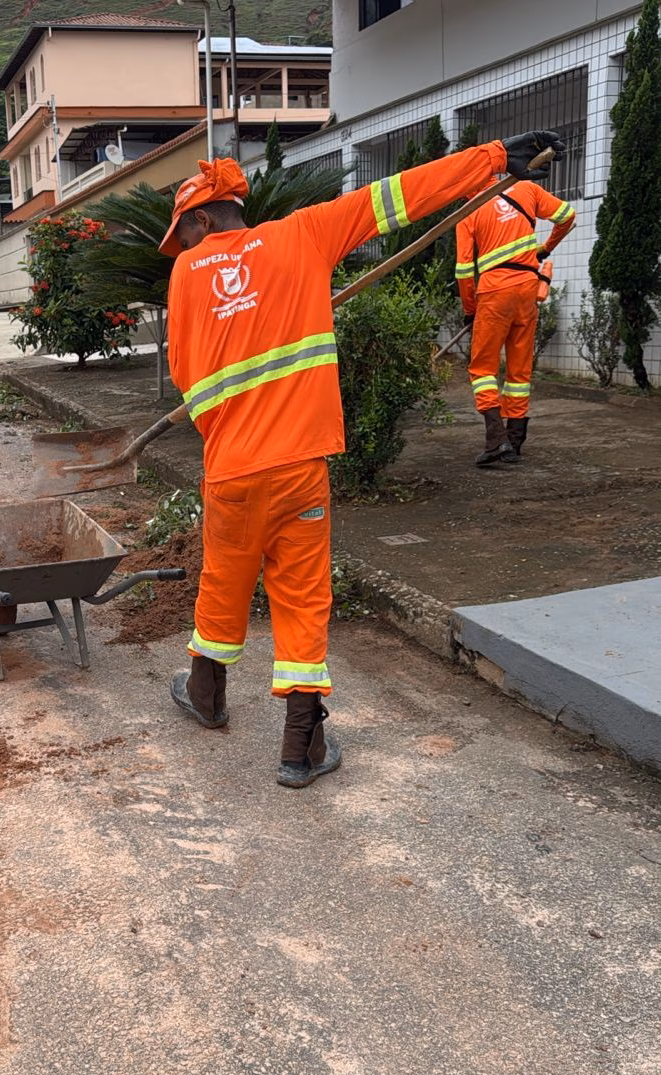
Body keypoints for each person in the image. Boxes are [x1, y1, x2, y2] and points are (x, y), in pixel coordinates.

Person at [161, 131, 564, 788]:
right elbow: (399, 197)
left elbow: (185, 373)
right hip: (300, 467)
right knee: (300, 597)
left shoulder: (184, 274)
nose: (181, 249)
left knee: (224, 581)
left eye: (183, 235)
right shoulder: (303, 236)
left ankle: (206, 697)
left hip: (231, 469)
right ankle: (300, 748)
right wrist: (491, 159)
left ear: (203, 217)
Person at [455, 173, 576, 465]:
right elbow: (567, 215)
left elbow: (462, 272)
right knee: (519, 371)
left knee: (482, 369)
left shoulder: (467, 213)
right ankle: (515, 440)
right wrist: (545, 248)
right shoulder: (526, 188)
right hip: (527, 289)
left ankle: (496, 440)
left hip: (494, 293)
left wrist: (470, 310)